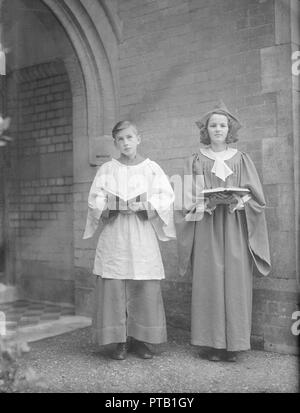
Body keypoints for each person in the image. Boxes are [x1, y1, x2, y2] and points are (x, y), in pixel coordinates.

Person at [175, 101, 271, 362]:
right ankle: (213, 344)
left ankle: (235, 344)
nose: (218, 129)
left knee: (236, 280)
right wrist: (205, 203)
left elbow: (257, 199)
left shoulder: (242, 159)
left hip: (235, 225)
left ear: (230, 130)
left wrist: (239, 201)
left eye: (222, 125)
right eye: (213, 125)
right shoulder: (195, 160)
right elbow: (184, 199)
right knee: (209, 281)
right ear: (206, 130)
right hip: (207, 227)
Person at [83, 120, 175, 360]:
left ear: (138, 138)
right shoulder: (107, 170)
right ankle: (120, 340)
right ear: (115, 143)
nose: (125, 143)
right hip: (116, 233)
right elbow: (95, 199)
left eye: (129, 137)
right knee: (115, 284)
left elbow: (166, 197)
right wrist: (112, 206)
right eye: (120, 139)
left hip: (141, 232)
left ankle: (141, 340)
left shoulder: (151, 168)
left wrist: (145, 205)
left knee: (143, 284)